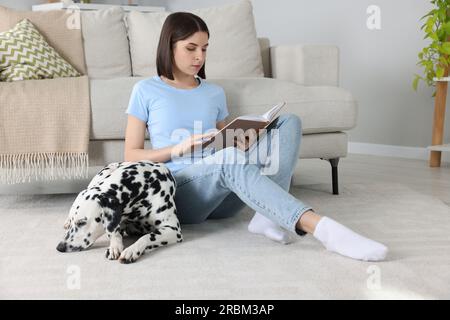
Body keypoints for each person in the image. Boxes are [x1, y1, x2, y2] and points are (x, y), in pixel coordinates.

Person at [124, 12, 388, 261]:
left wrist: (242, 141)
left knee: (287, 121)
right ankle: (321, 228)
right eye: (191, 48)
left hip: (223, 191)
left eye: (204, 49)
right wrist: (178, 148)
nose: (199, 56)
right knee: (227, 159)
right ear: (169, 46)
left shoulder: (213, 92)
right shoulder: (146, 90)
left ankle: (267, 217)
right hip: (180, 193)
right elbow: (131, 155)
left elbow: (223, 139)